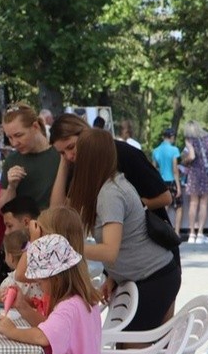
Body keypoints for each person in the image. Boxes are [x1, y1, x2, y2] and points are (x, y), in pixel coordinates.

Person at [66, 128, 182, 333]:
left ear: (89, 159)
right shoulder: (108, 188)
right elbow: (126, 239)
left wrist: (70, 246)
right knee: (127, 349)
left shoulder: (110, 194)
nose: (72, 158)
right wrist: (113, 276)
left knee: (132, 349)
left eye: (78, 152)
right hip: (144, 277)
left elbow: (110, 250)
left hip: (154, 277)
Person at [0, 234, 102, 354]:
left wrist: (12, 331)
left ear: (56, 280)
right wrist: (22, 306)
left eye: (40, 282)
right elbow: (48, 326)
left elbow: (42, 337)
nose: (39, 287)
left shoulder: (68, 308)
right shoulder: (84, 301)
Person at [48, 113, 172, 222]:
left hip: (148, 240)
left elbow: (165, 197)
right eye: (62, 153)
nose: (69, 156)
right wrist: (63, 163)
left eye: (71, 147)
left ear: (85, 134)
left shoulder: (123, 153)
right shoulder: (74, 165)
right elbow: (58, 211)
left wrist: (120, 211)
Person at [0, 103, 61, 212]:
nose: (14, 143)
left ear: (35, 127)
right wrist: (11, 187)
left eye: (18, 135)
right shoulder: (12, 160)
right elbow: (2, 209)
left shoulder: (59, 155)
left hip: (53, 224)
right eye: (10, 138)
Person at [179, 121, 208, 243]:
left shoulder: (189, 140)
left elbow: (191, 157)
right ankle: (200, 233)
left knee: (193, 203)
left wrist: (184, 161)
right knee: (204, 204)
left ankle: (191, 234)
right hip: (206, 174)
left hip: (194, 174)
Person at [151, 128, 182, 224]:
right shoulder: (174, 150)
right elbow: (175, 169)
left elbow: (153, 168)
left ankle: (163, 229)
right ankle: (176, 233)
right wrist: (178, 186)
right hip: (172, 180)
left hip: (161, 181)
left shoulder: (156, 150)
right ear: (171, 137)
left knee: (164, 207)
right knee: (179, 208)